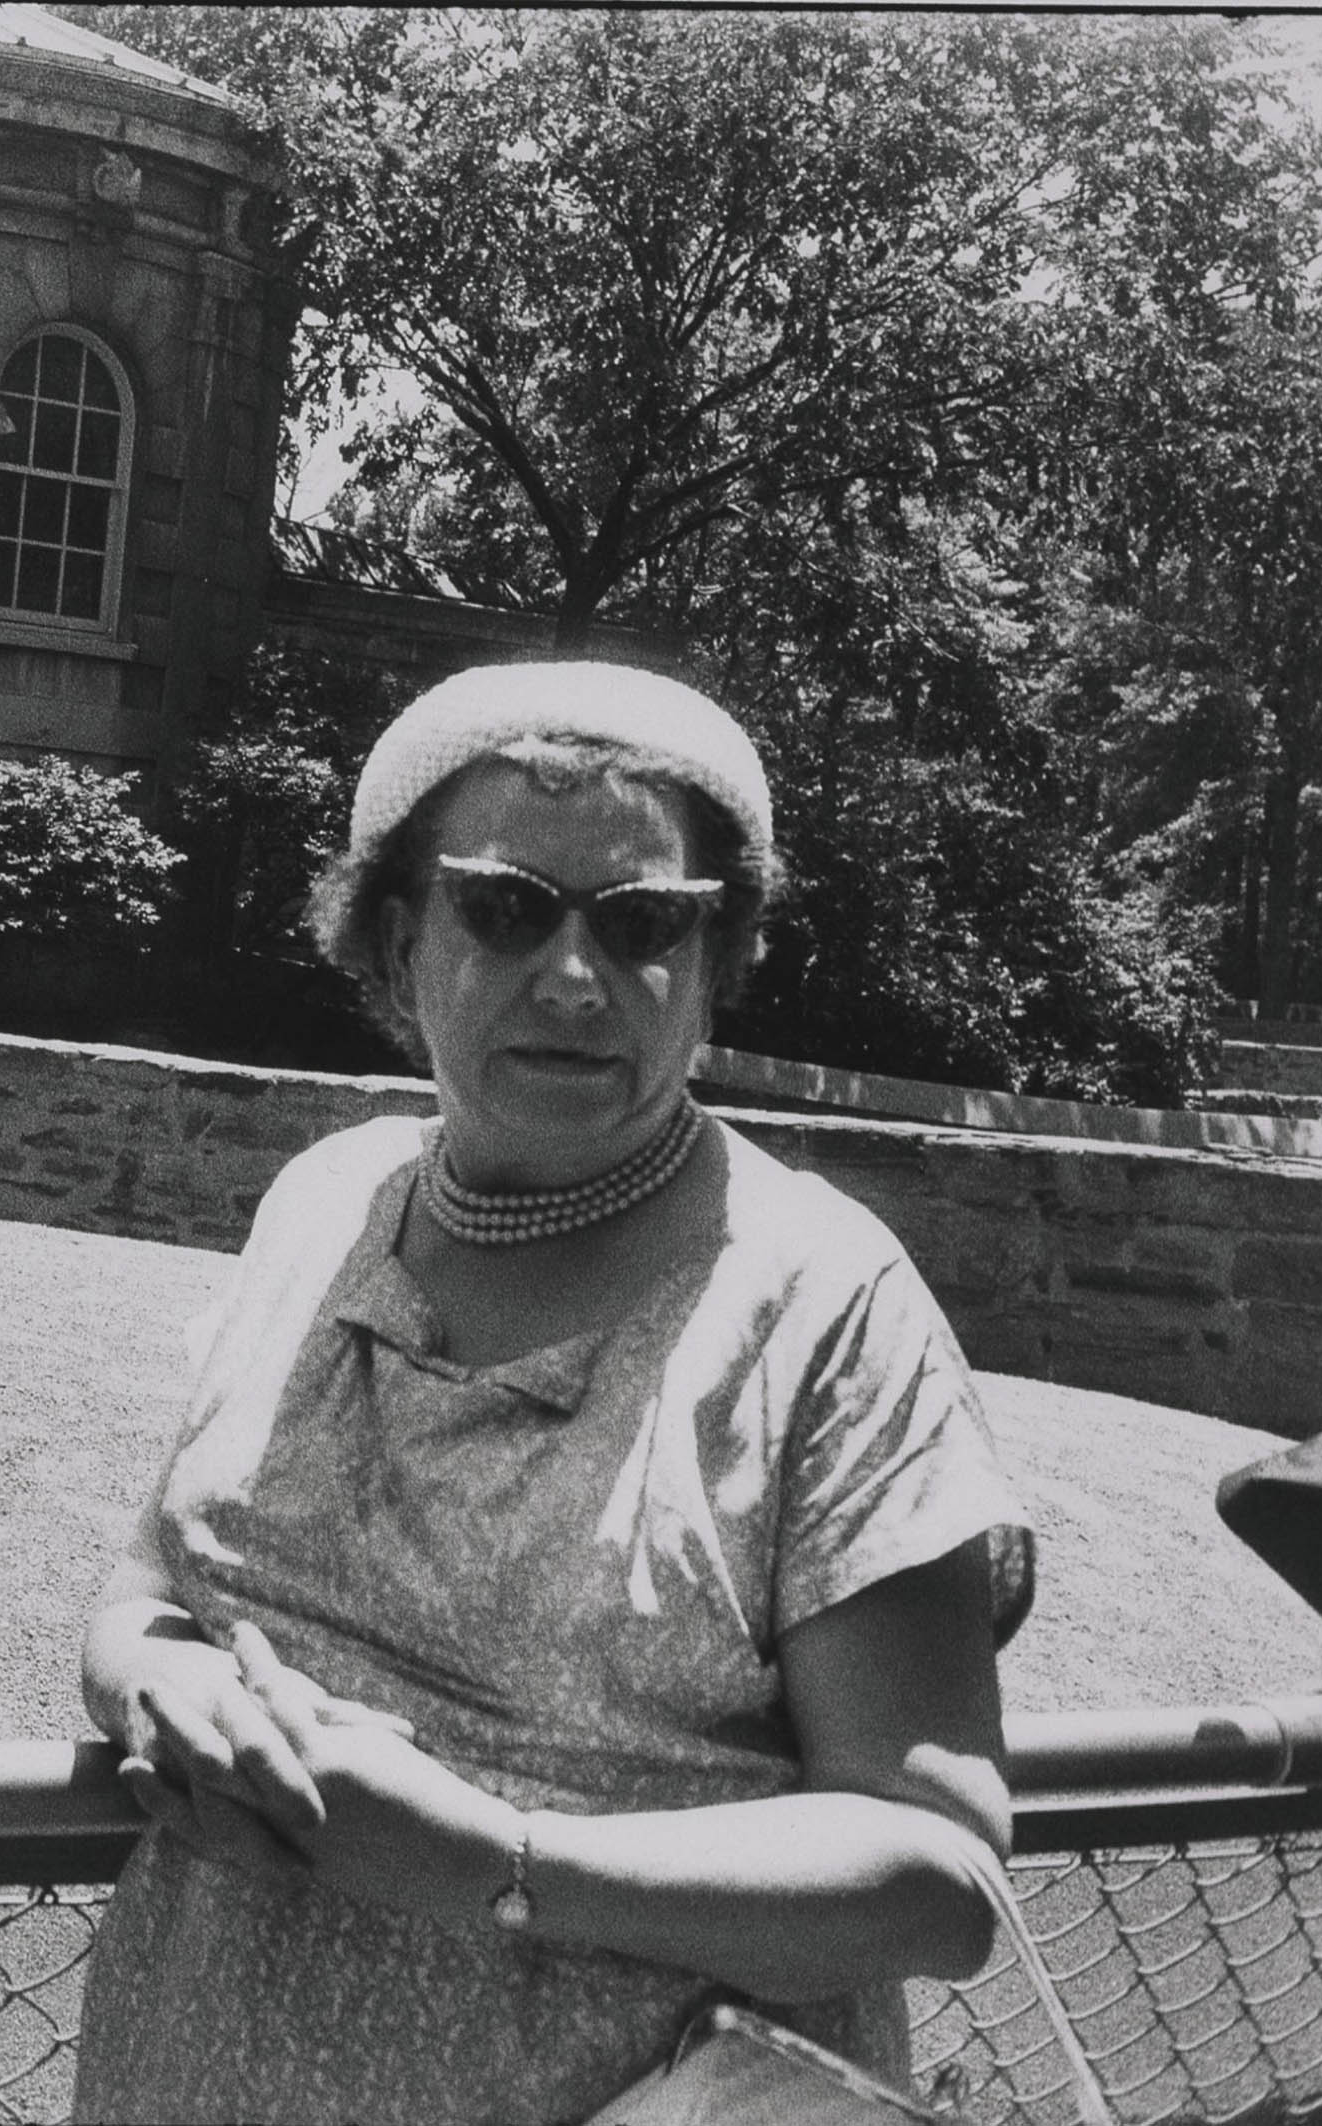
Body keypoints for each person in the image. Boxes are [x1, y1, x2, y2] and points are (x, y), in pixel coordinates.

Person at [72, 661, 1036, 2124]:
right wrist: (166, 1680)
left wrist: (501, 1859)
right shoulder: (320, 1204)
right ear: (398, 940)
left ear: (715, 964)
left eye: (645, 924)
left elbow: (937, 1873)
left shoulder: (821, 1302)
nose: (576, 978)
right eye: (506, 906)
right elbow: (146, 1586)